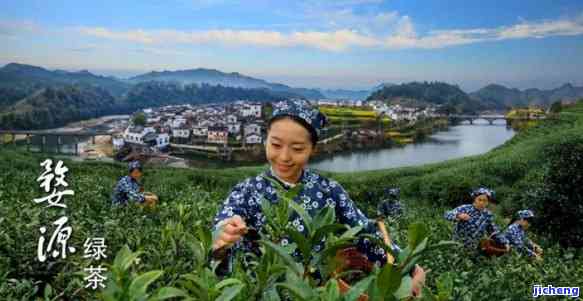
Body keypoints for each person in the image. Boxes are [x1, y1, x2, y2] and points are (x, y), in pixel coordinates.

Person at [211, 99, 425, 296]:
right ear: (265, 140)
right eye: (276, 145)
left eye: (297, 148)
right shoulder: (247, 190)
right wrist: (223, 234)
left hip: (317, 293)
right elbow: (225, 223)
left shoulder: (329, 190)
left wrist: (408, 265)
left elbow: (365, 233)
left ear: (312, 149)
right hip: (264, 292)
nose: (284, 157)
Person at [444, 187, 506, 252]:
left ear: (487, 203)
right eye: (479, 200)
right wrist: (458, 215)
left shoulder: (487, 215)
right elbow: (447, 214)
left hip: (473, 248)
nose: (482, 203)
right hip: (457, 244)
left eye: (485, 201)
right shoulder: (465, 208)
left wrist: (504, 242)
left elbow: (494, 231)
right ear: (475, 199)